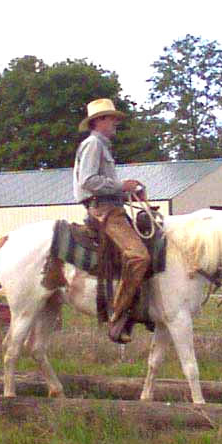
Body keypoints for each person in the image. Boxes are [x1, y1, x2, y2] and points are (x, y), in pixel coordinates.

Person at [73, 98, 150, 344]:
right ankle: (118, 315)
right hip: (104, 211)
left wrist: (129, 192)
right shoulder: (93, 144)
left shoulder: (102, 145)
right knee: (139, 256)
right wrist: (120, 186)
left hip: (112, 206)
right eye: (111, 118)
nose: (116, 122)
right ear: (99, 121)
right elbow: (88, 181)